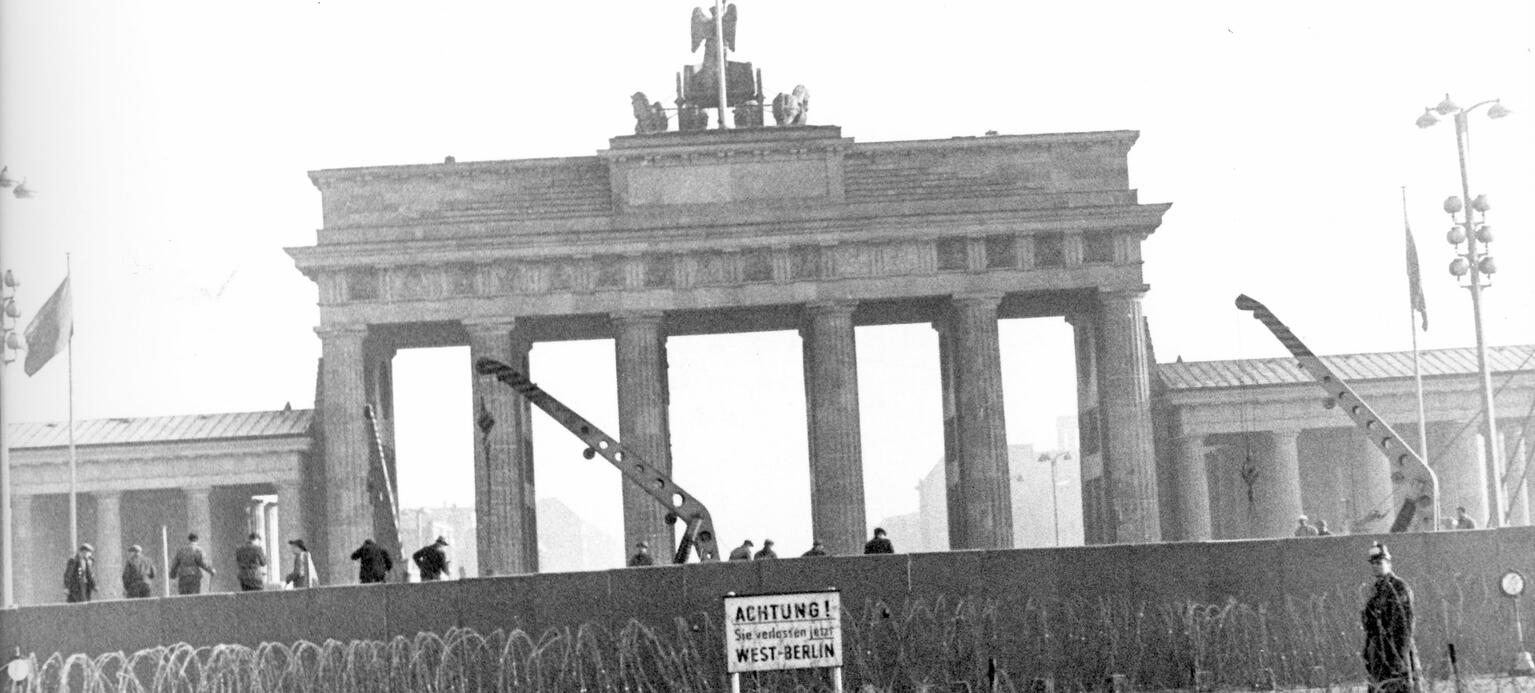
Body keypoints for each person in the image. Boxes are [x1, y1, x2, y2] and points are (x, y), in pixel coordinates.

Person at [1361, 542, 1420, 693]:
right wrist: (1368, 652)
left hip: (1395, 655)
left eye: (1379, 562)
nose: (1375, 566)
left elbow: (1404, 626)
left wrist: (1398, 657)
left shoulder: (1398, 588)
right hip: (1378, 656)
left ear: (1388, 563)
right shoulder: (1376, 590)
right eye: (1373, 563)